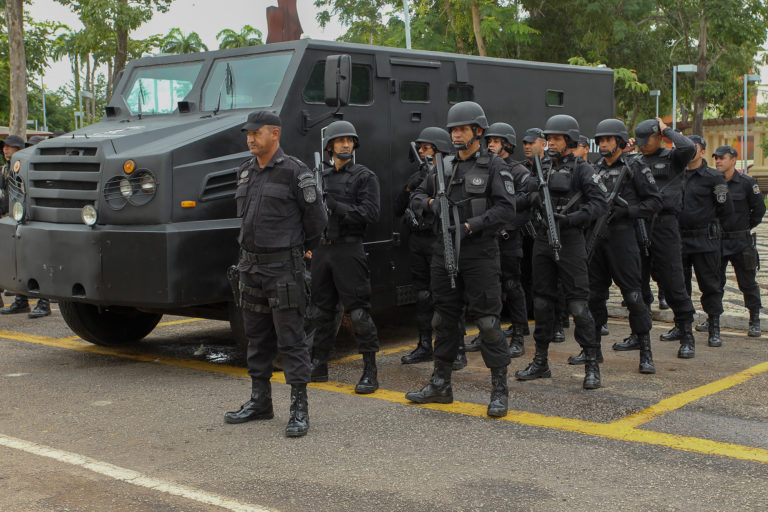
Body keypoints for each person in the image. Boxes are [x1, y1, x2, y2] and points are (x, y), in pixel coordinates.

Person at [406, 101, 517, 417]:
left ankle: (499, 390)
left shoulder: (494, 166)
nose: (455, 135)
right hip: (444, 252)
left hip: (479, 253)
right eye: (453, 129)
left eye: (462, 129)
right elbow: (414, 197)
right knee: (443, 319)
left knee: (487, 323)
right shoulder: (442, 167)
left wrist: (471, 225)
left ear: (478, 132)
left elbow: (506, 209)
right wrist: (431, 203)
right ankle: (441, 384)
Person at [224, 111, 327, 437]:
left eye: (257, 133)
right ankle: (260, 401)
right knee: (256, 336)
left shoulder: (295, 172)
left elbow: (317, 220)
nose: (250, 138)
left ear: (275, 133)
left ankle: (299, 409)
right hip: (250, 267)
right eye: (248, 134)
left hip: (283, 268)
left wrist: (299, 249)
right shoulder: (245, 172)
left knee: (291, 339)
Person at [515, 114, 607, 389]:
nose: (550, 142)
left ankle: (592, 364)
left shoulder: (582, 170)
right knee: (542, 303)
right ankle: (540, 362)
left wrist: (572, 219)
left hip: (570, 239)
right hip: (543, 239)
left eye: (555, 138)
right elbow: (523, 198)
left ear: (569, 140)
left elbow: (599, 204)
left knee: (578, 305)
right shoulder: (539, 167)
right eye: (549, 138)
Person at [578, 119, 662, 374]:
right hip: (597, 239)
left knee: (634, 297)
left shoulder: (635, 167)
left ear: (620, 142)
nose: (603, 144)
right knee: (594, 297)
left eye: (608, 140)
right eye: (600, 140)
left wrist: (629, 211)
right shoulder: (594, 169)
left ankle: (645, 351)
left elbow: (655, 202)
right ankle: (592, 351)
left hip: (623, 238)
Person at [309, 120, 382, 395]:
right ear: (329, 146)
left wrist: (335, 205)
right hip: (322, 249)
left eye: (350, 141)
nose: (346, 145)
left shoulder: (365, 176)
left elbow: (371, 213)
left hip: (349, 248)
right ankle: (319, 364)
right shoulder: (321, 176)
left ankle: (370, 371)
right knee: (321, 312)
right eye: (340, 141)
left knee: (359, 313)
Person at [631, 118, 698, 358]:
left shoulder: (672, 158)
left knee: (672, 281)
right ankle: (638, 334)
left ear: (658, 136)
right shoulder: (636, 161)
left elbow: (689, 149)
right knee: (637, 282)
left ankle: (685, 332)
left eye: (645, 140)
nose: (641, 145)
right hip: (639, 223)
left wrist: (667, 129)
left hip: (665, 224)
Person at [396, 127, 453, 364]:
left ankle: (454, 348)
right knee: (422, 295)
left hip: (438, 239)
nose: (421, 151)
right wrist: (411, 187)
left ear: (439, 150)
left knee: (446, 297)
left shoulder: (450, 173)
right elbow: (399, 208)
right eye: (420, 148)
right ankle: (424, 345)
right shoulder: (421, 176)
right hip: (418, 240)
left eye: (426, 148)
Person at [479, 121, 530, 357]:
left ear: (507, 144)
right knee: (489, 288)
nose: (491, 144)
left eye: (496, 141)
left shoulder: (520, 171)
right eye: (489, 141)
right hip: (489, 237)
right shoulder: (485, 168)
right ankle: (487, 333)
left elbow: (525, 208)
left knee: (512, 286)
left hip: (509, 239)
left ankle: (519, 334)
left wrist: (507, 228)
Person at [677, 135, 733, 350]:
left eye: (694, 148)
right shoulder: (676, 174)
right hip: (679, 239)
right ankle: (681, 327)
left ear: (702, 152)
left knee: (710, 285)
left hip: (705, 240)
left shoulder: (714, 177)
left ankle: (714, 328)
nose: (689, 152)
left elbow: (725, 208)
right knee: (680, 287)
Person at [713, 145, 765, 337]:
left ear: (733, 159)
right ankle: (713, 320)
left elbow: (759, 210)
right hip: (718, 241)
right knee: (714, 282)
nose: (718, 161)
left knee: (747, 283)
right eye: (716, 158)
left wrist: (744, 227)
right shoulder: (713, 182)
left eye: (722, 158)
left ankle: (754, 320)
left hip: (741, 241)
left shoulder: (746, 183)